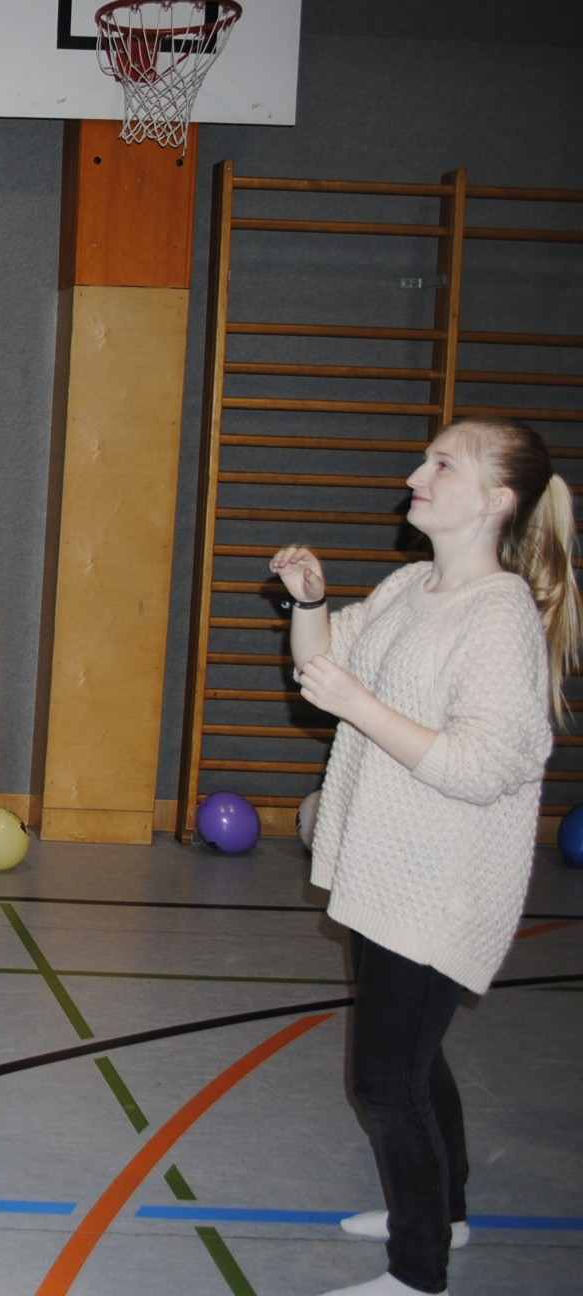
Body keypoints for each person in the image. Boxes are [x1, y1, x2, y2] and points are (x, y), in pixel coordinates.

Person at [272, 417, 579, 1296]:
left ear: (496, 500)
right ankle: (446, 1212)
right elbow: (321, 672)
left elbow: (487, 766)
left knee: (383, 1080)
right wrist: (310, 605)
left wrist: (360, 704)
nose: (416, 474)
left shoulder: (500, 617)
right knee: (414, 1061)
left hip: (440, 889)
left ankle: (418, 1272)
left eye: (443, 464)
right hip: (385, 874)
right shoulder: (412, 585)